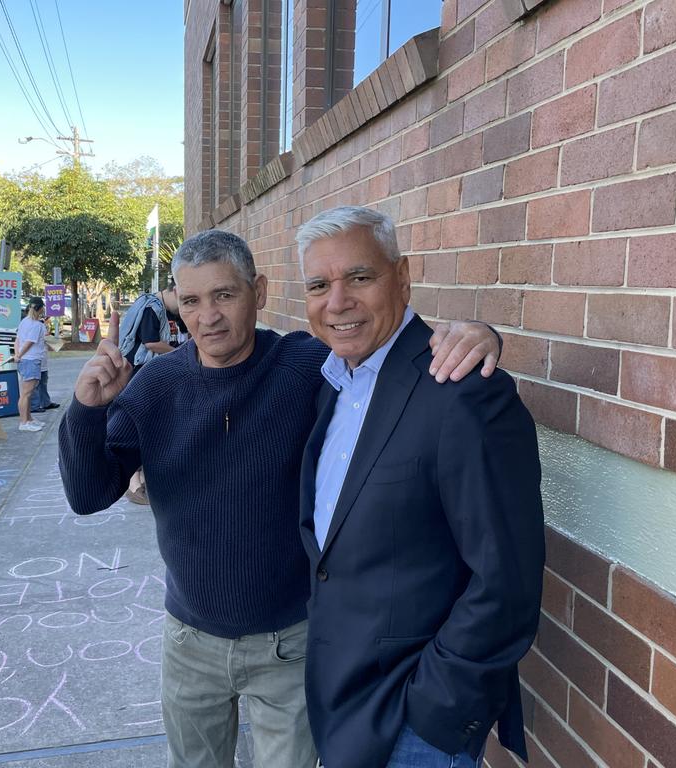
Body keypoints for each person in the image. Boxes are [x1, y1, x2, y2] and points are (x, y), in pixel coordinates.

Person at [58, 228, 502, 768]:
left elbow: (389, 360)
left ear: (259, 292)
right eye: (192, 301)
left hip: (289, 643)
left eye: (225, 295)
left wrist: (479, 335)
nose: (208, 317)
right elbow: (87, 495)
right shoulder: (155, 389)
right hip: (190, 640)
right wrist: (87, 411)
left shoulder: (309, 366)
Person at [296, 206, 544, 768]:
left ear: (402, 277)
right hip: (340, 705)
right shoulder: (332, 383)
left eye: (360, 277)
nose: (337, 302)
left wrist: (435, 715)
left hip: (414, 726)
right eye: (318, 285)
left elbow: (507, 581)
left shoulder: (464, 391)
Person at [116, 277, 188, 503]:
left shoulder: (169, 310)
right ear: (175, 291)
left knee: (156, 425)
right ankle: (133, 484)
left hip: (155, 372)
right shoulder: (151, 308)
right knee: (139, 424)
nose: (186, 307)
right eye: (186, 299)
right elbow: (151, 343)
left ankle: (147, 479)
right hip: (139, 372)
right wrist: (182, 352)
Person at [14, 297, 48, 432]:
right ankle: (24, 422)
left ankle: (29, 419)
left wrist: (17, 355)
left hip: (24, 360)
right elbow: (29, 342)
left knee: (27, 393)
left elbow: (17, 340)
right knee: (26, 394)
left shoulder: (24, 322)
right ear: (40, 309)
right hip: (31, 360)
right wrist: (20, 355)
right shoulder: (38, 325)